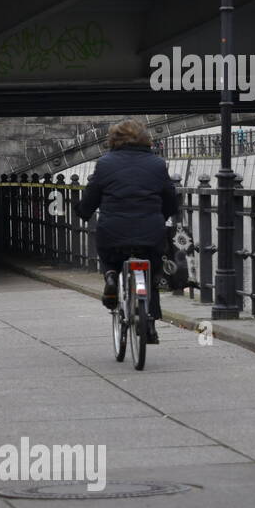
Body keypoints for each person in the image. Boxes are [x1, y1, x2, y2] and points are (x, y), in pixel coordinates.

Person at [76, 118, 179, 344]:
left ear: (113, 140)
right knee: (152, 270)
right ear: (146, 140)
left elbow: (91, 198)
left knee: (108, 254)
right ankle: (150, 322)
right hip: (150, 230)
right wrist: (162, 216)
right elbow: (171, 200)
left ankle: (111, 276)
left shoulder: (105, 163)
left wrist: (83, 212)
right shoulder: (157, 164)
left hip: (113, 230)